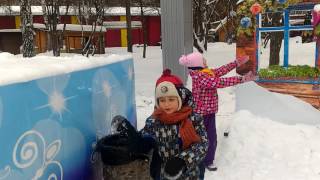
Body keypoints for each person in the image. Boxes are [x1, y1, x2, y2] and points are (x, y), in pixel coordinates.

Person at [179, 52, 257, 173]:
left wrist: (235, 63)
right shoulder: (201, 77)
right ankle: (205, 160)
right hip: (201, 115)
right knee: (207, 137)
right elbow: (219, 82)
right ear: (198, 64)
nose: (205, 61)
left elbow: (221, 70)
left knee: (209, 137)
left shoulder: (205, 73)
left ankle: (205, 159)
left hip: (208, 112)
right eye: (203, 60)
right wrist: (241, 79)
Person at [140, 68, 209, 180]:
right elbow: (145, 139)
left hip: (190, 174)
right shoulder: (154, 121)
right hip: (163, 174)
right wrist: (133, 141)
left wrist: (182, 160)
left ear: (180, 99)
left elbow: (202, 145)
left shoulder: (193, 119)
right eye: (162, 100)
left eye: (171, 99)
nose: (166, 104)